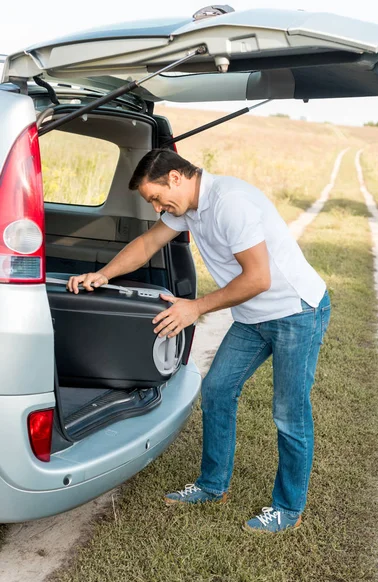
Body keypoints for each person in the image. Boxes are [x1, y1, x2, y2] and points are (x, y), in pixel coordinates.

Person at [67, 148, 331, 533]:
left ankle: (288, 508)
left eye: (156, 197)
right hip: (253, 316)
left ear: (175, 177)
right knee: (218, 391)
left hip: (297, 311)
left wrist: (196, 307)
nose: (158, 207)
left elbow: (259, 278)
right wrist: (103, 275)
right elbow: (145, 245)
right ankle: (212, 485)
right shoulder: (185, 209)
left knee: (289, 413)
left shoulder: (229, 203)